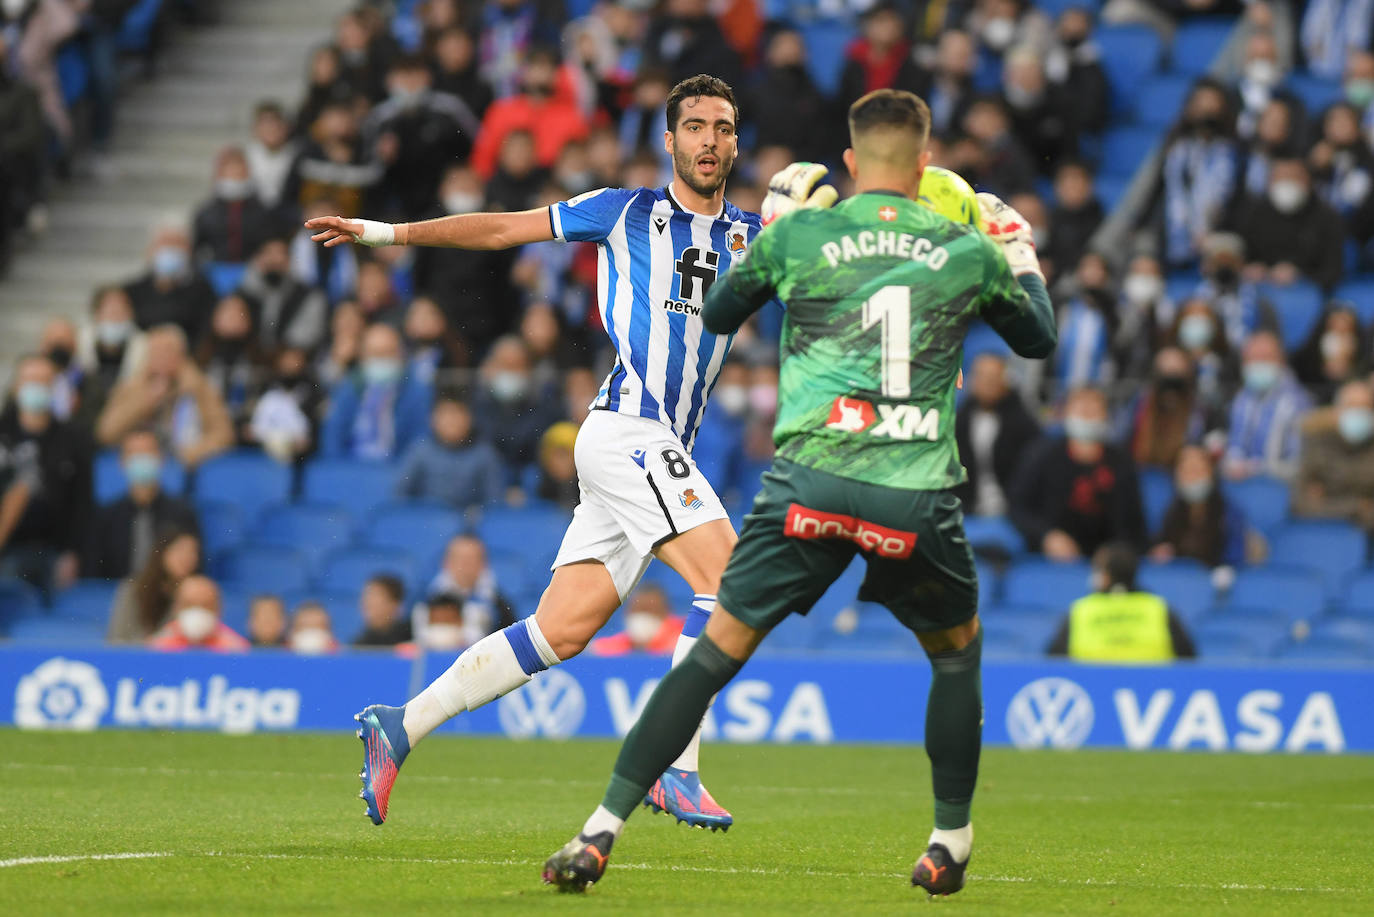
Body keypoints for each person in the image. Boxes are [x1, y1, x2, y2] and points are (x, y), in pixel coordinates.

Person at [540, 89, 1057, 896]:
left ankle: (600, 829)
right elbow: (1038, 337)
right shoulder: (962, 247)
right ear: (924, 166)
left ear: (850, 163)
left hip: (810, 485)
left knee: (713, 653)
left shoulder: (810, 232)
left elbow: (716, 311)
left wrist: (779, 227)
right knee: (956, 658)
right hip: (912, 487)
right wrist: (1017, 248)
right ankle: (947, 843)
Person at [310, 74, 779, 831]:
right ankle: (676, 768)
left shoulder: (754, 237)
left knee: (560, 630)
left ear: (735, 143)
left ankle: (400, 724)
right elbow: (500, 229)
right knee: (730, 584)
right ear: (669, 139)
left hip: (650, 451)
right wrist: (387, 234)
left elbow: (823, 295)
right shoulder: (627, 211)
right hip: (629, 430)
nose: (709, 140)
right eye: (694, 126)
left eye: (723, 128)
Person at [1009, 386, 1148, 560]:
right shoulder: (1041, 455)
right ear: (1066, 413)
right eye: (1081, 408)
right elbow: (1018, 508)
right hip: (1049, 558)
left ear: (1106, 415)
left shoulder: (1122, 463)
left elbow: (1134, 522)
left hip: (1107, 560)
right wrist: (1047, 536)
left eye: (1094, 408)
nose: (1087, 413)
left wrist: (1116, 553)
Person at [0, 354, 91, 594]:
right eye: (31, 380)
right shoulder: (3, 433)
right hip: (8, 550)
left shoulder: (73, 437)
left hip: (55, 550)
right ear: (17, 385)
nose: (37, 387)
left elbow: (82, 501)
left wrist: (73, 552)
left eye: (44, 381)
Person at [95, 325, 235, 469]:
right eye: (155, 352)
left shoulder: (200, 387)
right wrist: (146, 402)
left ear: (181, 356)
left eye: (167, 352)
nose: (161, 358)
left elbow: (224, 434)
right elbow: (106, 433)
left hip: (187, 465)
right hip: (140, 464)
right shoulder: (133, 386)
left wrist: (191, 454)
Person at [1046, 543, 1196, 660]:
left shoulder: (1080, 610)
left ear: (1106, 575)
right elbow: (1189, 660)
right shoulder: (1159, 608)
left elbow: (1053, 662)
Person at [82, 429, 199, 579]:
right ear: (122, 462)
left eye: (147, 452)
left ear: (161, 459)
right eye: (134, 454)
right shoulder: (105, 517)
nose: (142, 460)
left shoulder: (182, 514)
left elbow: (193, 568)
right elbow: (93, 575)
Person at [319, 323, 432, 461]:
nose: (382, 359)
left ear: (401, 354)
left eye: (388, 352)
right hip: (351, 468)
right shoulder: (348, 387)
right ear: (362, 356)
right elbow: (333, 435)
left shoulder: (417, 391)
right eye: (375, 353)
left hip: (397, 470)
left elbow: (420, 440)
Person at [953, 353, 1040, 517]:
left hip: (1013, 511)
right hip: (966, 508)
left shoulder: (1025, 425)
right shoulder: (959, 419)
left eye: (993, 377)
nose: (987, 383)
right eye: (982, 376)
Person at [1151, 445, 1258, 576]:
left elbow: (1234, 562)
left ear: (1210, 472)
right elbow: (1161, 547)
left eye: (1197, 470)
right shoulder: (1172, 512)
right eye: (1186, 471)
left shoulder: (1229, 514)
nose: (1192, 478)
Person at [1223, 329, 1312, 480]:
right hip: (1240, 483)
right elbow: (1234, 445)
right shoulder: (1241, 399)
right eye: (1252, 359)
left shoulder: (1298, 403)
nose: (1259, 364)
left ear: (1281, 361)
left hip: (1280, 486)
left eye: (1265, 358)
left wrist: (1256, 469)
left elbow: (1299, 462)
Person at [394, 394, 502, 511]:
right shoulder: (419, 451)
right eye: (445, 416)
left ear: (469, 419)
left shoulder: (485, 454)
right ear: (433, 420)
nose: (451, 422)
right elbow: (399, 495)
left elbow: (494, 501)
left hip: (469, 525)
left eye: (457, 415)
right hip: (427, 521)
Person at [1292, 379, 1374, 529]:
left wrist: (1325, 502)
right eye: (1351, 406)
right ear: (1336, 411)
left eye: (1365, 407)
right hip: (1323, 533)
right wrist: (1357, 507)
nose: (1358, 414)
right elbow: (1300, 503)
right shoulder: (1317, 444)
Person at [421, 533, 519, 651]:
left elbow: (510, 645)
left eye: (472, 559)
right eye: (460, 558)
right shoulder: (428, 599)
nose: (466, 565)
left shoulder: (498, 604)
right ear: (446, 562)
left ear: (484, 564)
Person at [122, 225, 217, 342]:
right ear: (150, 250)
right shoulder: (131, 292)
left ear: (190, 251)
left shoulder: (204, 292)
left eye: (177, 243)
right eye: (165, 243)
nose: (170, 249)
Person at [106, 530, 201, 643]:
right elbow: (117, 637)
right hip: (137, 656)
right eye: (180, 550)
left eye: (192, 552)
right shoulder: (133, 589)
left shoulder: (200, 593)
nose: (187, 558)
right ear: (162, 552)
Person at [148, 574, 250, 652]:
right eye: (190, 605)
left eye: (205, 605)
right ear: (176, 608)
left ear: (218, 609)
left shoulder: (236, 650)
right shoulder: (155, 648)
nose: (197, 611)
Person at [590, 584, 684, 655]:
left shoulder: (684, 640)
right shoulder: (623, 642)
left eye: (650, 610)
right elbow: (596, 649)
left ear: (666, 611)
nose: (642, 617)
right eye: (636, 610)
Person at [352, 574, 413, 647]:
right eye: (366, 596)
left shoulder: (415, 637)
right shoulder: (359, 646)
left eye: (375, 596)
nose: (367, 603)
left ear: (395, 604)